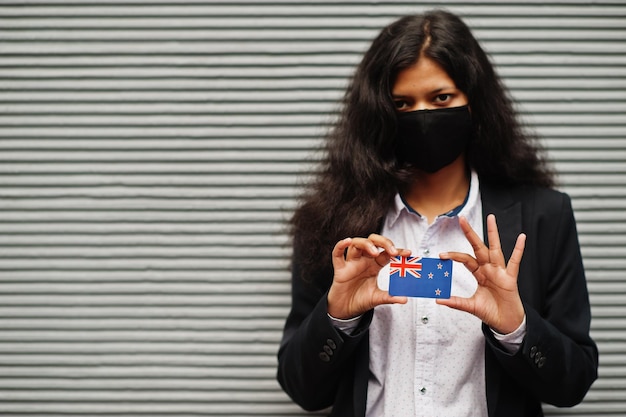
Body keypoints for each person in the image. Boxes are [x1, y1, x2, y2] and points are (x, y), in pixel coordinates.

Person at [276, 9, 598, 417]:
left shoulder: (544, 217)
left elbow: (573, 384)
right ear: (380, 112)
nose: (424, 115)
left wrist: (517, 326)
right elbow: (302, 389)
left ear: (474, 101)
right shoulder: (332, 223)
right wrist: (337, 316)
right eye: (402, 103)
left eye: (441, 98)